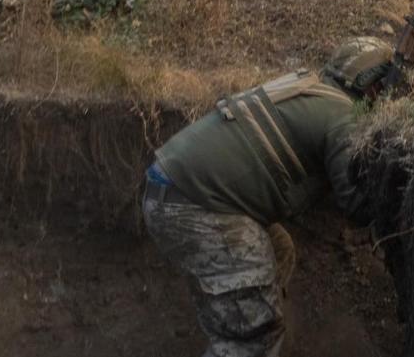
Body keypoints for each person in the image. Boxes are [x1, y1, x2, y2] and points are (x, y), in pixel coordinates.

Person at [143, 37, 398, 357]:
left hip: (174, 190)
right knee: (254, 334)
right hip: (194, 205)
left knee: (279, 250)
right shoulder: (344, 116)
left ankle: (244, 328)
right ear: (371, 86)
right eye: (385, 88)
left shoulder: (308, 88)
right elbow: (355, 203)